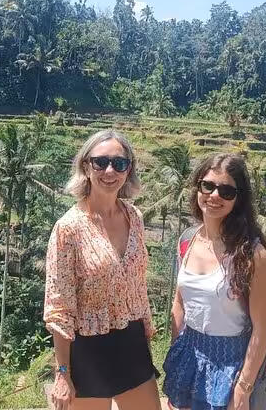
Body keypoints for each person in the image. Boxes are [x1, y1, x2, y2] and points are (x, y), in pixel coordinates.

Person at [43, 129, 161, 410]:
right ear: (86, 166)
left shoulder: (134, 217)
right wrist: (62, 374)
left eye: (119, 163)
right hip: (87, 349)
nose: (110, 170)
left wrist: (145, 332)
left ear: (128, 169)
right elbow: (59, 306)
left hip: (131, 342)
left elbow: (137, 285)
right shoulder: (69, 228)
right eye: (100, 162)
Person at [162, 153, 266, 410]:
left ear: (239, 198)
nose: (214, 196)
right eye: (208, 186)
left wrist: (243, 388)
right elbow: (180, 304)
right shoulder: (187, 241)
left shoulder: (251, 253)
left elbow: (262, 329)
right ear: (197, 187)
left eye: (226, 191)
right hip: (190, 355)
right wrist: (180, 358)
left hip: (231, 362)